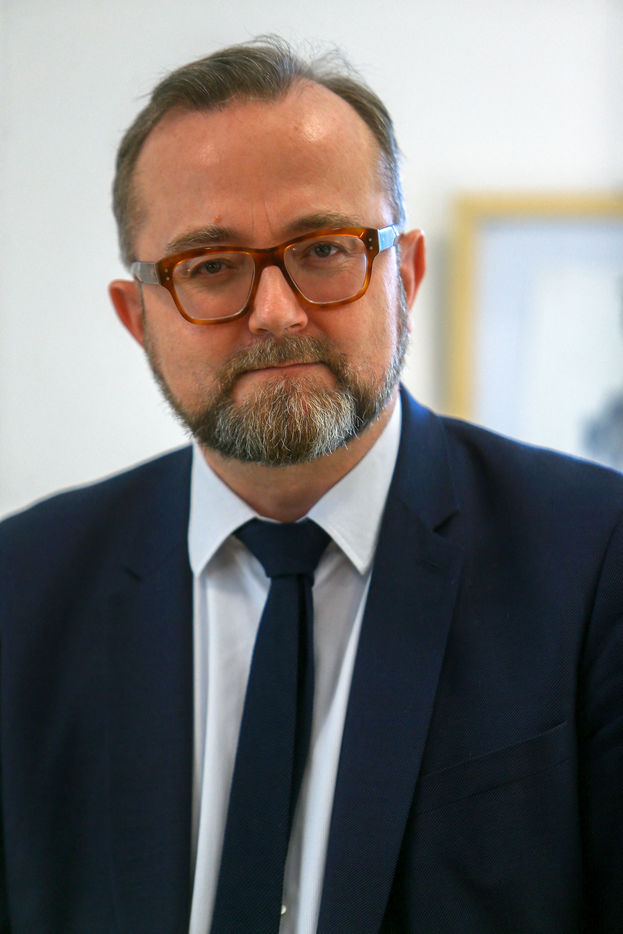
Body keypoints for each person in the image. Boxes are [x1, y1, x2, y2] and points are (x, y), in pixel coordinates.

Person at [0, 37, 622, 934]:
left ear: (404, 275)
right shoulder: (22, 587)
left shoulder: (596, 561)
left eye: (324, 248)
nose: (277, 312)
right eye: (209, 266)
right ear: (137, 318)